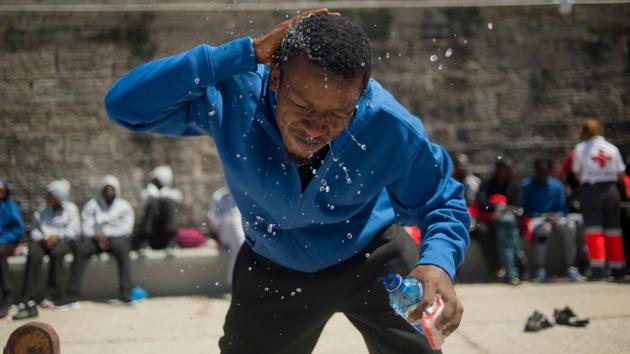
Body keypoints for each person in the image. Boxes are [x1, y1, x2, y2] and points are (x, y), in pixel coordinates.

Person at [105, 10, 470, 353]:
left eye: (336, 115)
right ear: (276, 78)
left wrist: (439, 263)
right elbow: (125, 105)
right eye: (302, 105)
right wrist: (241, 55)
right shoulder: (235, 94)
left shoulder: (389, 125)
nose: (314, 128)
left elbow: (442, 199)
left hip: (375, 257)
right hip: (273, 267)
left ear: (358, 101)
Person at [12, 179, 81, 319]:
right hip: (44, 242)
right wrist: (43, 238)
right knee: (33, 254)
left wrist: (57, 236)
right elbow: (34, 230)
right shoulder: (42, 210)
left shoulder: (71, 209)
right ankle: (28, 297)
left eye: (50, 194)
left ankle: (54, 294)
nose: (47, 197)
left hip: (63, 242)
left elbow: (74, 230)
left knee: (57, 254)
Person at [65, 175, 135, 304]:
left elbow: (127, 228)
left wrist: (107, 235)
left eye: (111, 189)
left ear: (116, 190)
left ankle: (126, 292)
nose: (108, 192)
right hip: (95, 239)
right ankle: (72, 294)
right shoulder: (91, 205)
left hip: (116, 239)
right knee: (80, 250)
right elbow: (86, 227)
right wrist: (96, 236)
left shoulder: (124, 206)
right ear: (101, 190)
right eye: (106, 189)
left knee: (124, 250)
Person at [572, 119, 627, 280]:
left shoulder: (581, 149)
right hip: (611, 190)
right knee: (614, 231)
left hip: (591, 190)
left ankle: (598, 268)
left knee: (594, 230)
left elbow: (576, 173)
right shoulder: (612, 149)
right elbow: (621, 174)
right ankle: (617, 268)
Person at [521, 159, 583, 282]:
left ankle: (571, 266)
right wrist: (544, 217)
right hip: (536, 219)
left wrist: (556, 216)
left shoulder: (557, 186)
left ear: (549, 170)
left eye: (545, 170)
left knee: (570, 226)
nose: (542, 172)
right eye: (540, 170)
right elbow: (525, 208)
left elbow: (562, 208)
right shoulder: (526, 185)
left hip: (556, 217)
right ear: (536, 170)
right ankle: (540, 268)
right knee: (544, 229)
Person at [477, 158, 525, 285]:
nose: (505, 172)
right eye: (503, 169)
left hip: (508, 221)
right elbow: (482, 204)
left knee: (506, 227)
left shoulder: (515, 185)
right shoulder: (487, 184)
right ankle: (519, 253)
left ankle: (511, 273)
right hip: (490, 220)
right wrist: (495, 210)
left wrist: (501, 210)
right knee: (508, 229)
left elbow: (518, 207)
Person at [453, 153, 498, 277]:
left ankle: (494, 268)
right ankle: (454, 274)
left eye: (464, 164)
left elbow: (480, 203)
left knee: (485, 232)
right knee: (455, 235)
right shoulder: (449, 182)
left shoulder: (475, 182)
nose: (462, 167)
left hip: (474, 219)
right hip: (456, 219)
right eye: (459, 164)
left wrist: (474, 217)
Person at [134, 165, 183, 256]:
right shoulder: (148, 193)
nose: (154, 183)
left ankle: (171, 242)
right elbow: (144, 200)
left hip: (165, 237)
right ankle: (144, 243)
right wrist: (154, 195)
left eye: (156, 180)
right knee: (152, 203)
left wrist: (160, 196)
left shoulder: (172, 194)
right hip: (150, 236)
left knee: (167, 202)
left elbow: (176, 198)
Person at [207, 186, 245, 287]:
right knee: (236, 227)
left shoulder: (247, 193)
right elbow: (214, 221)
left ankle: (236, 279)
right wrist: (229, 220)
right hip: (227, 231)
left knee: (239, 233)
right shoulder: (219, 196)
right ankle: (238, 280)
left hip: (243, 231)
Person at [0, 178, 24, 318]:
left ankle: (6, 294)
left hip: (8, 242)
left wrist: (3, 239)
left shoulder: (10, 206)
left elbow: (18, 229)